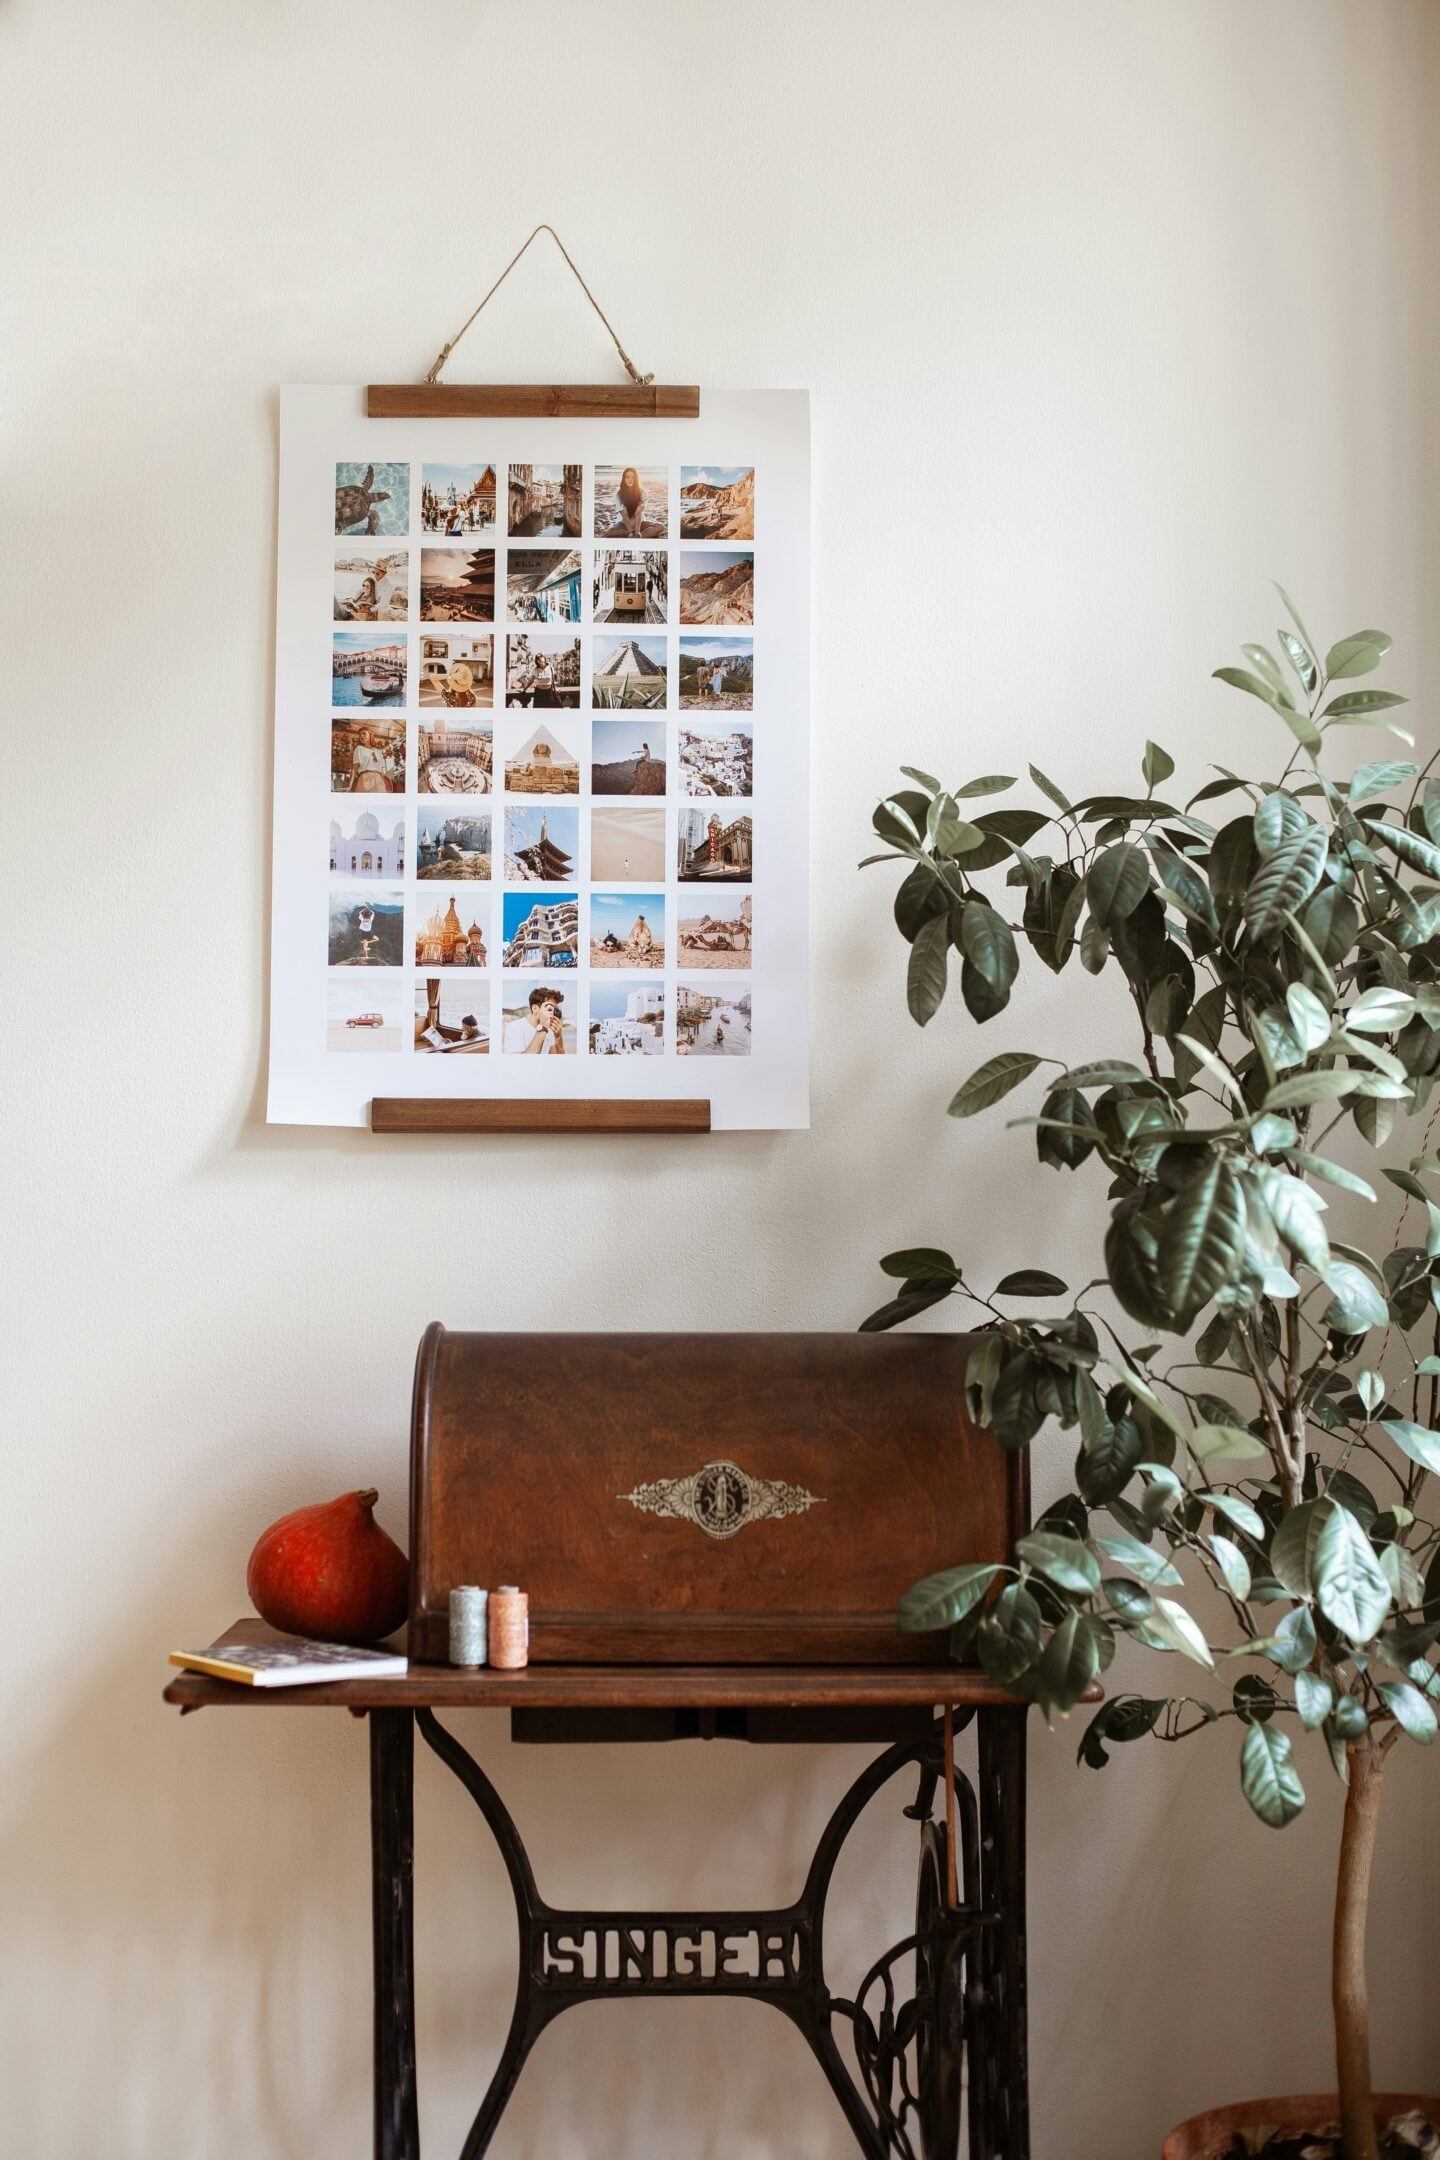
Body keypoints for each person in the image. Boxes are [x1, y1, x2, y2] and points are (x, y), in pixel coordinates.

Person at [505, 985, 567, 1054]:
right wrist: (543, 1028)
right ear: (535, 1008)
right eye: (549, 1008)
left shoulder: (549, 1031)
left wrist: (558, 1037)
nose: (553, 1013)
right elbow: (520, 1060)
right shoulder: (514, 1027)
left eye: (555, 1009)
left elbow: (559, 1059)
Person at [350, 727, 389, 791]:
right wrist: (349, 786)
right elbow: (354, 769)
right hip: (365, 779)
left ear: (370, 735)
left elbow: (382, 771)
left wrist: (384, 785)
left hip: (379, 781)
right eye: (360, 734)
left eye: (364, 733)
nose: (361, 736)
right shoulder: (358, 749)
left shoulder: (378, 751)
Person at [615, 466, 644, 537]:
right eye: (627, 477)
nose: (630, 479)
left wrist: (637, 532)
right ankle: (631, 535)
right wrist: (630, 532)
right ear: (624, 479)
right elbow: (624, 514)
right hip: (624, 523)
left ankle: (635, 536)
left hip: (638, 523)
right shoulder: (619, 494)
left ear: (636, 479)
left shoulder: (642, 493)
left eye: (633, 477)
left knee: (659, 526)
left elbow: (638, 513)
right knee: (608, 533)